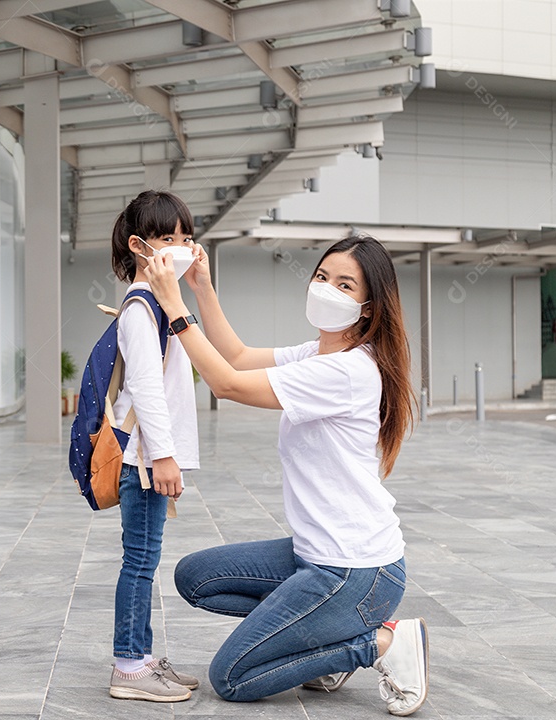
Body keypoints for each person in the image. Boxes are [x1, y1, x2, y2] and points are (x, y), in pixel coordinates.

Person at [142, 234, 428, 716]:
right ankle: (320, 640)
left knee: (231, 678)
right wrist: (201, 287)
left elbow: (226, 384)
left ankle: (378, 644)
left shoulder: (349, 372)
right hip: (314, 554)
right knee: (196, 577)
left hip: (355, 571)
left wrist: (174, 306)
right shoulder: (316, 356)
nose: (326, 289)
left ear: (367, 306)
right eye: (321, 276)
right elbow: (234, 355)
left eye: (344, 284)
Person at [106, 190, 201, 703]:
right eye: (168, 238)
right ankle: (128, 666)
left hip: (151, 455)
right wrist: (162, 459)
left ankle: (141, 657)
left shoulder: (162, 306)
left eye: (186, 237)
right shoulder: (141, 308)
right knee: (140, 561)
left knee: (145, 558)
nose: (181, 247)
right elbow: (144, 387)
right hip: (143, 457)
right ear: (141, 246)